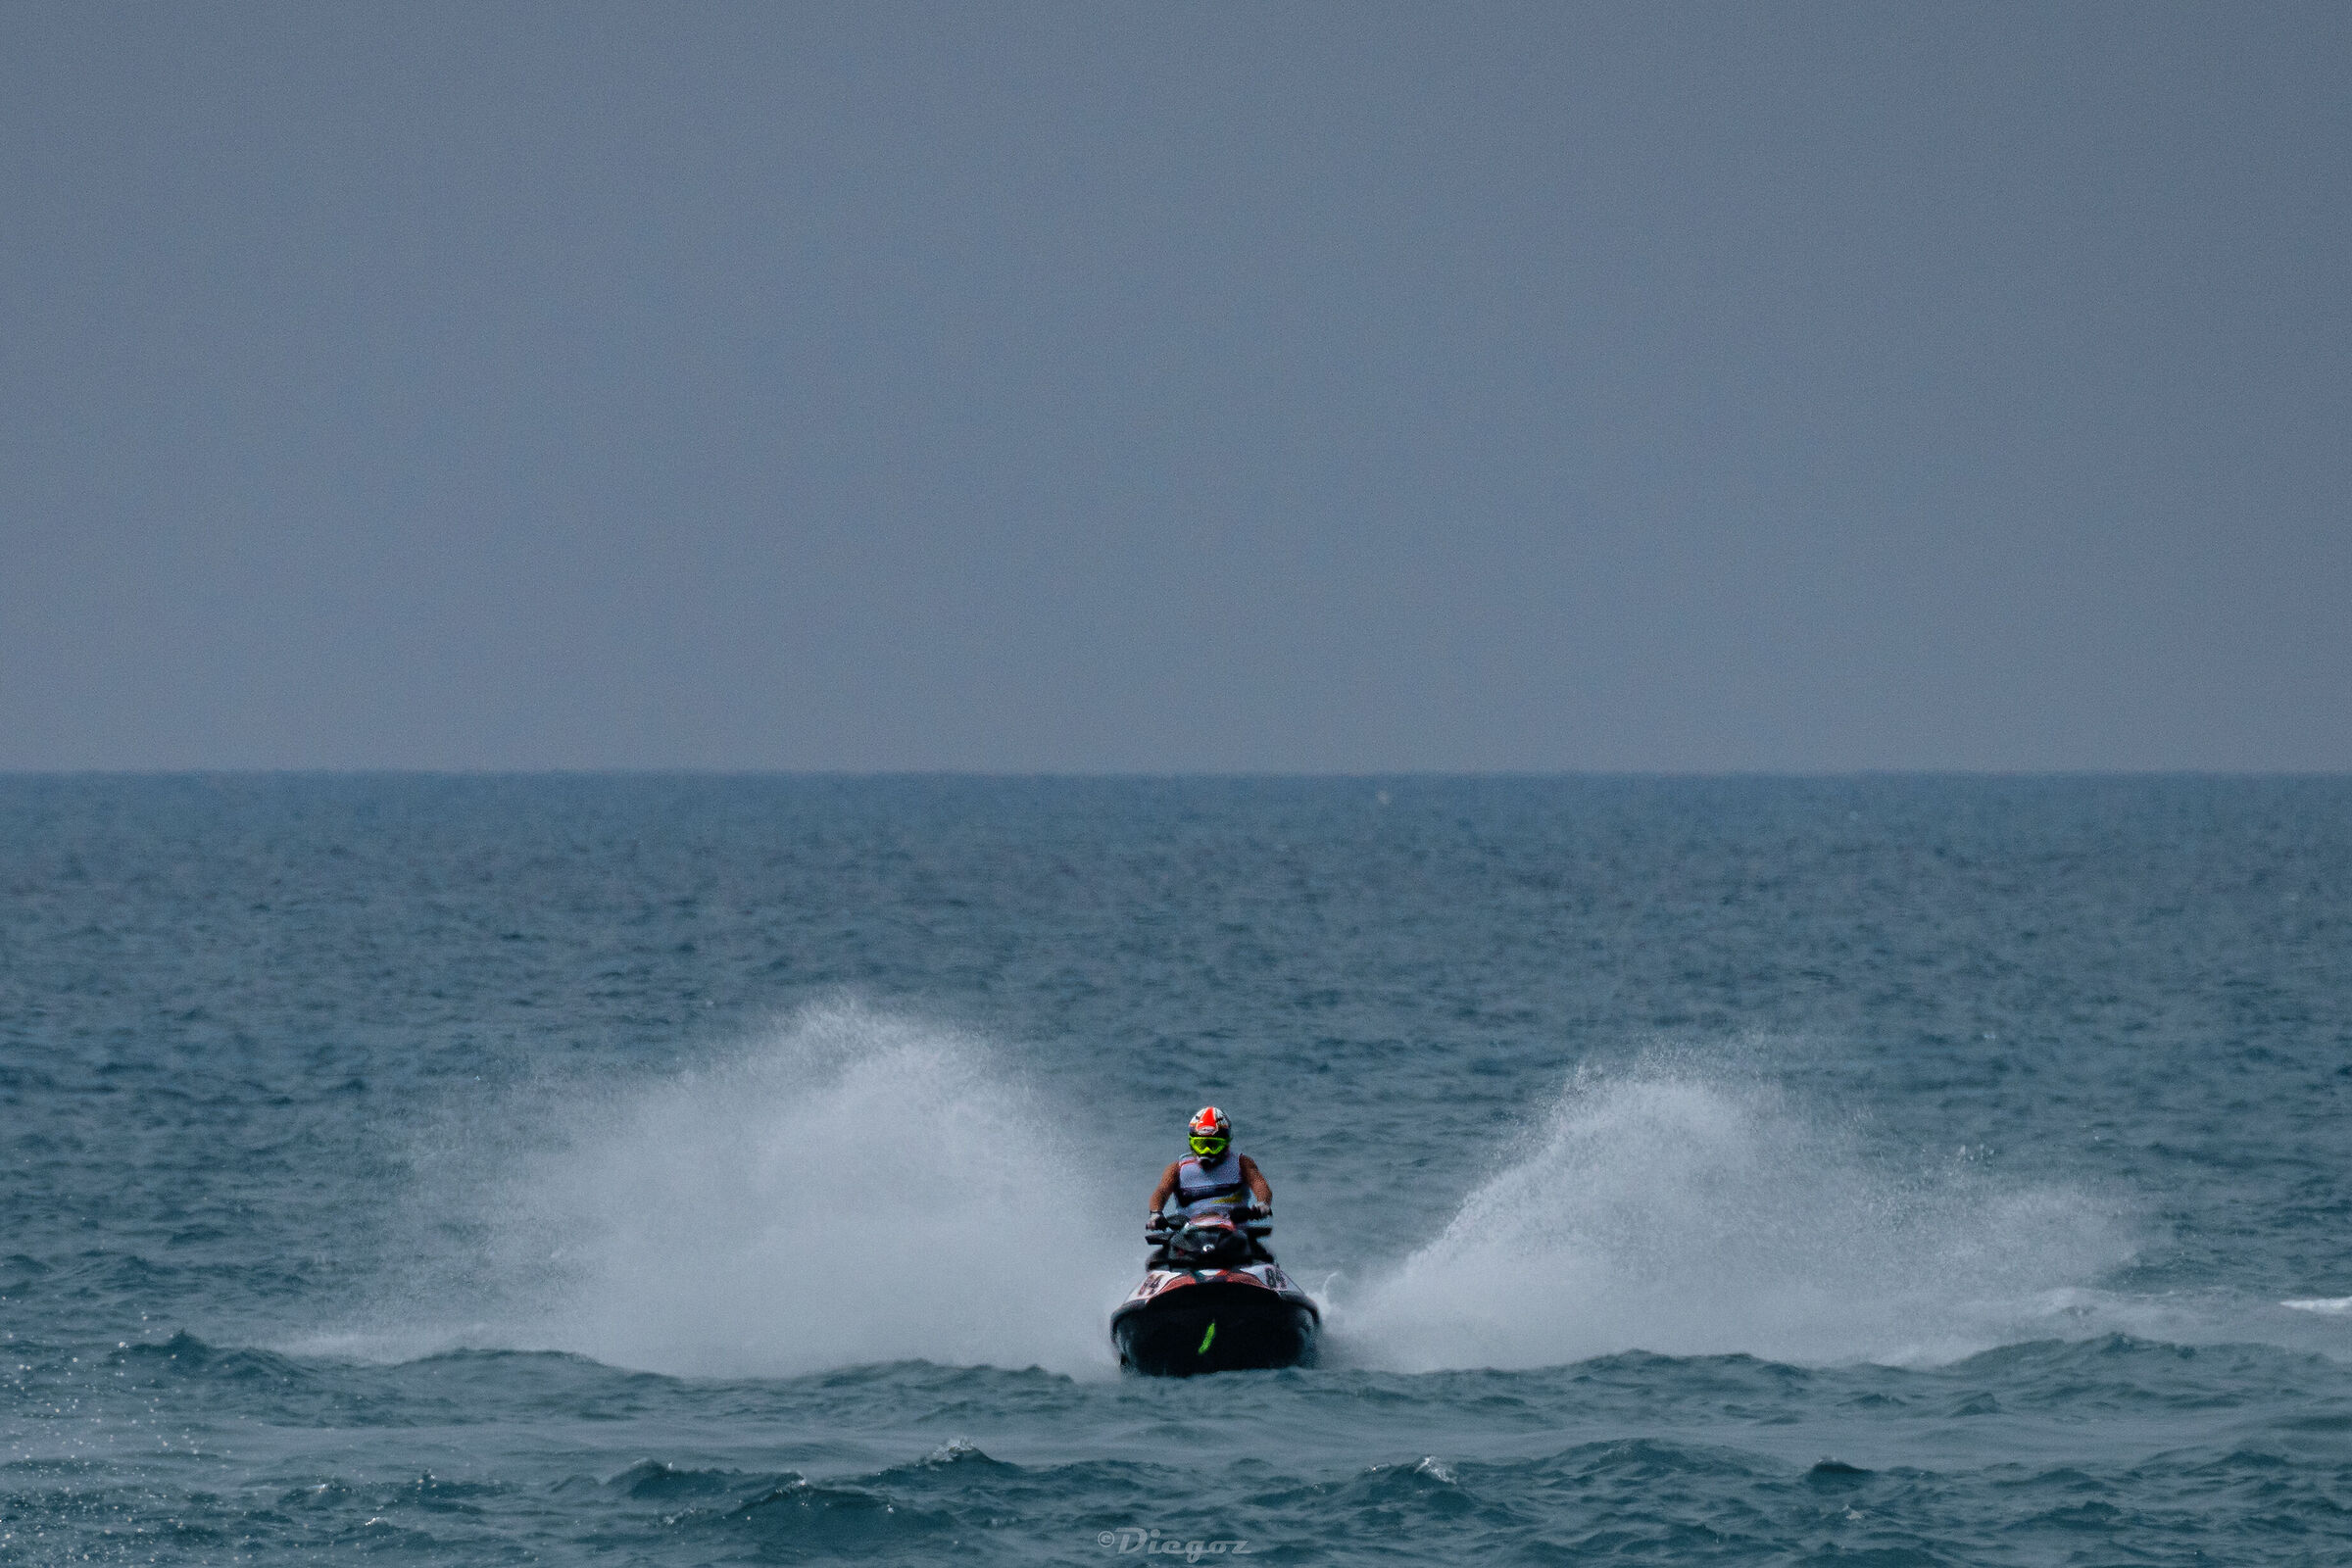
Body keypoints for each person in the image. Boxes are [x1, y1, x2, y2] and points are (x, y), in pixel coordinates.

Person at [1147, 1105, 1271, 1230]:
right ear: (1191, 1143)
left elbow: (1259, 1183)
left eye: (1213, 1145)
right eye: (1201, 1145)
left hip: (1234, 1233)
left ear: (1226, 1143)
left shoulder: (1242, 1163)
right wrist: (1156, 1214)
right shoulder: (1177, 1168)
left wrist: (1262, 1204)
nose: (1207, 1151)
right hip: (1189, 1234)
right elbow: (1161, 1192)